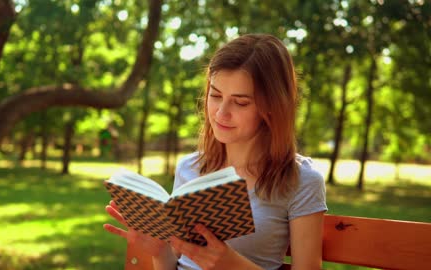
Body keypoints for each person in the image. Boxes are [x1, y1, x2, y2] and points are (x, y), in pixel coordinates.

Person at [104, 33, 327, 270]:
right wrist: (160, 252)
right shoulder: (190, 168)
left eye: (240, 102)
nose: (221, 113)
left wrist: (231, 265)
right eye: (216, 95)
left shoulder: (300, 180)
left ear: (273, 106)